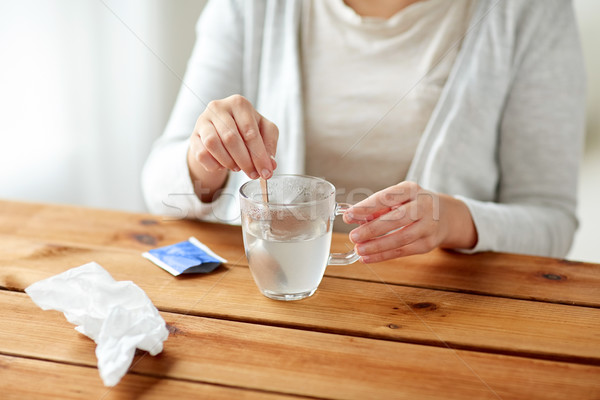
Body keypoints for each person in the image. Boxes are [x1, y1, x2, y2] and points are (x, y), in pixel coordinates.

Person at [142, 0, 586, 262]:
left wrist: (453, 221)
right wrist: (204, 160)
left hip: (442, 308)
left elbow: (551, 220)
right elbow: (157, 187)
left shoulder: (530, 12)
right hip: (277, 297)